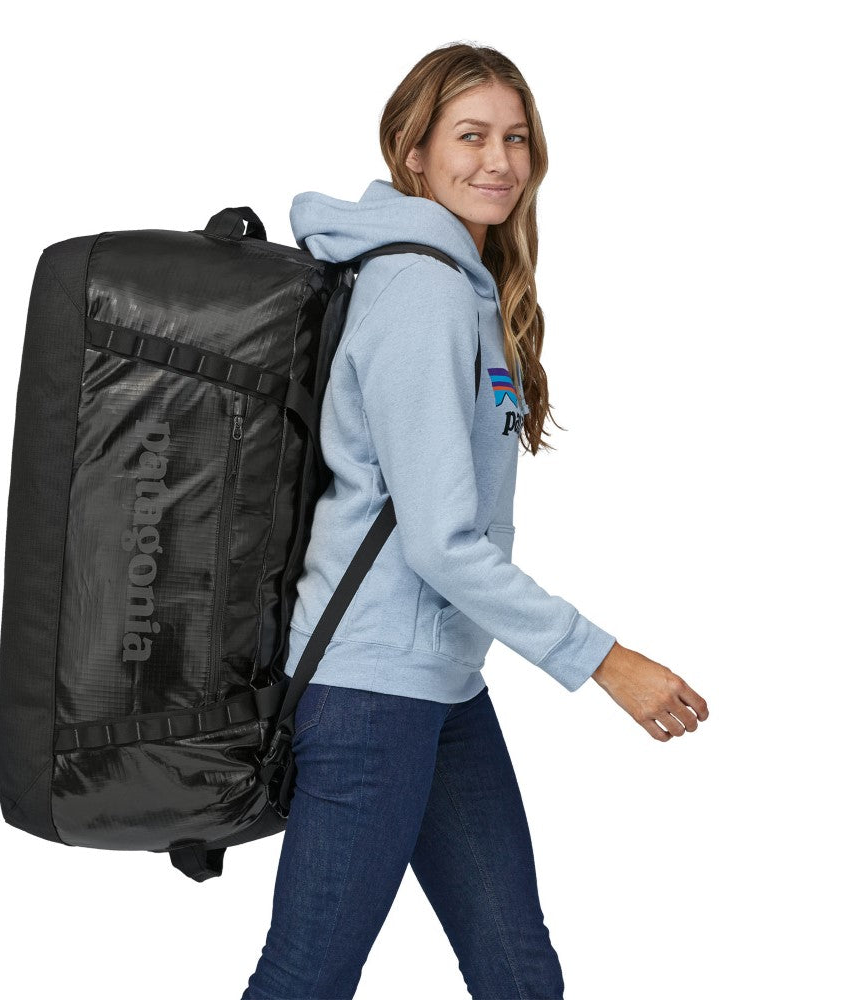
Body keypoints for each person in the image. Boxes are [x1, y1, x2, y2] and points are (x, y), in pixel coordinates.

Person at [240, 42, 708, 1000]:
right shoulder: (420, 290)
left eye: (516, 139)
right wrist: (606, 661)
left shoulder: (463, 286)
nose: (499, 161)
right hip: (372, 690)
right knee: (306, 979)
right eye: (471, 136)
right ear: (413, 153)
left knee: (515, 968)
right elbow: (440, 542)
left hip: (441, 683)